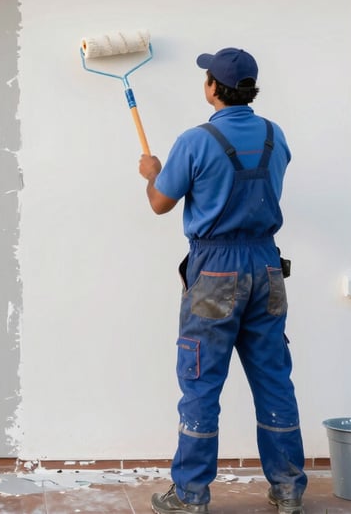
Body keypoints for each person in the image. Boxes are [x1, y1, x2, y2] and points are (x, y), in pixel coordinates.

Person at [138, 48, 306, 514]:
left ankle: (191, 495)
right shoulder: (276, 135)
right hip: (267, 266)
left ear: (213, 87)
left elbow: (159, 204)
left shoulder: (195, 141)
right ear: (251, 88)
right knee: (274, 379)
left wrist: (153, 175)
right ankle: (289, 489)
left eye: (206, 77)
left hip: (215, 270)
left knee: (200, 382)